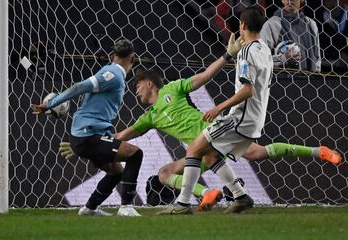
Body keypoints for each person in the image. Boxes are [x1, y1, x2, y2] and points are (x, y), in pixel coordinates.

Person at [59, 52, 340, 211]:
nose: (135, 90)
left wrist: (227, 55)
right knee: (168, 172)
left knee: (249, 153)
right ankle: (213, 193)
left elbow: (205, 75)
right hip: (200, 151)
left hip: (213, 133)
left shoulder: (173, 88)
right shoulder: (150, 117)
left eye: (138, 85)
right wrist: (84, 143)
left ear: (149, 83)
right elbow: (123, 135)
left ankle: (318, 152)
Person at [157, 6, 273, 215]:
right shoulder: (264, 48)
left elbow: (247, 90)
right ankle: (240, 197)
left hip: (240, 118)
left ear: (242, 25)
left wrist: (218, 107)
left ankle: (183, 204)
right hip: (256, 118)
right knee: (210, 155)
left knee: (194, 149)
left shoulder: (246, 52)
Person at [32, 39, 143, 217]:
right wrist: (50, 104)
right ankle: (126, 207)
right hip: (87, 135)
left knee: (116, 172)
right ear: (134, 58)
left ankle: (89, 209)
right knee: (135, 153)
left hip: (89, 135)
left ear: (111, 55)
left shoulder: (110, 71)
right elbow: (79, 86)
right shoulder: (113, 73)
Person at [260, 0, 321, 72]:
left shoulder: (311, 24)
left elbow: (317, 60)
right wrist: (283, 58)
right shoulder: (271, 25)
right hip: (283, 81)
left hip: (310, 81)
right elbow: (259, 59)